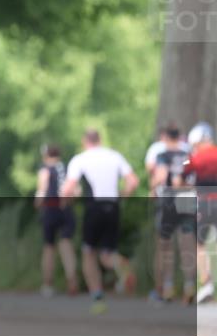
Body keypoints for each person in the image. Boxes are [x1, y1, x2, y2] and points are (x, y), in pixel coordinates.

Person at [61, 129, 138, 314]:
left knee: (88, 252)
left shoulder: (80, 159)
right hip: (113, 207)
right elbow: (133, 181)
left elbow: (67, 188)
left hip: (93, 208)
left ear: (84, 141)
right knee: (106, 255)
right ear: (100, 140)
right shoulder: (114, 156)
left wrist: (67, 201)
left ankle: (97, 298)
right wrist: (123, 197)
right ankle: (121, 265)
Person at [149, 125, 196, 304]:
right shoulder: (188, 155)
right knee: (186, 244)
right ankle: (189, 284)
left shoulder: (163, 155)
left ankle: (167, 286)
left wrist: (153, 189)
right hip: (187, 199)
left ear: (166, 137)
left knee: (165, 246)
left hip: (169, 200)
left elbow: (161, 176)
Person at [34, 145, 78, 297]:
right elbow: (75, 190)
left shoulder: (45, 169)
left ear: (46, 156)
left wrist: (38, 203)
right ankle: (72, 279)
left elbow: (42, 187)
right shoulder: (66, 168)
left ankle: (47, 284)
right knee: (66, 243)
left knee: (49, 247)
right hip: (66, 210)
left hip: (50, 209)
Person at [184, 122, 217, 304]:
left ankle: (206, 284)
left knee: (200, 245)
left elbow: (184, 169)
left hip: (205, 203)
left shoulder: (195, 157)